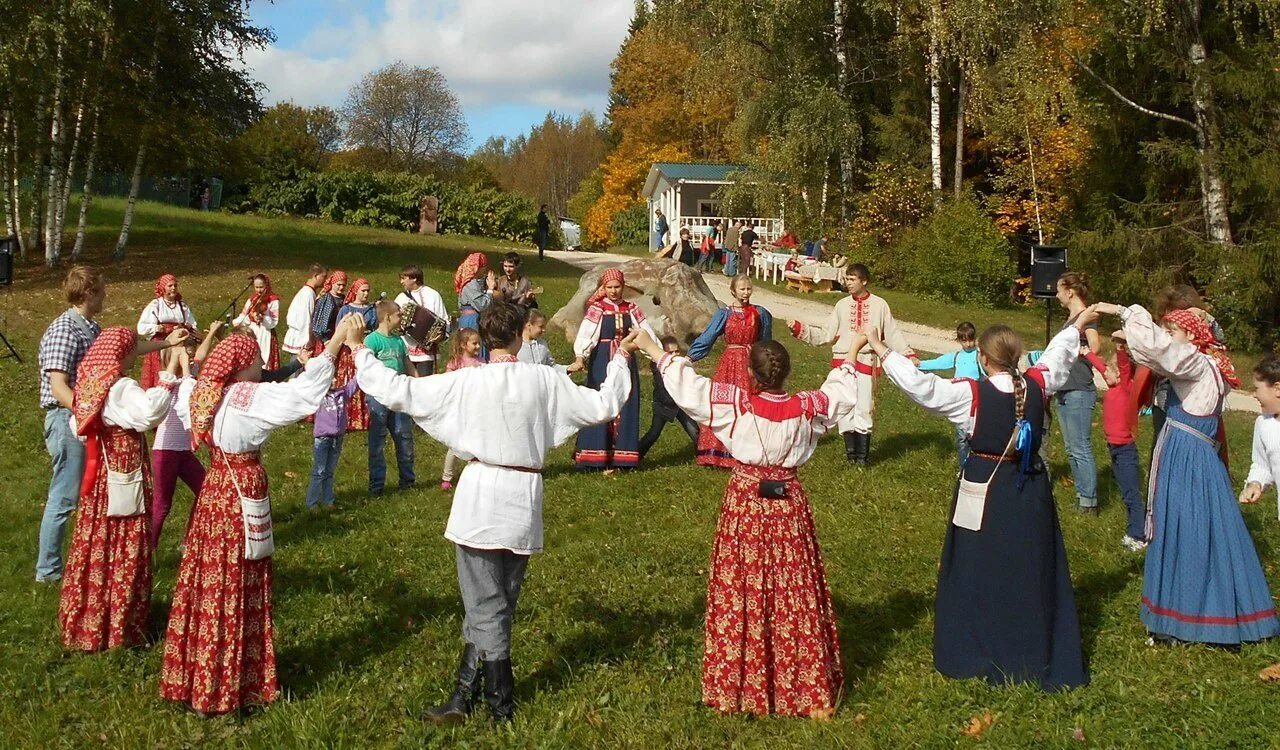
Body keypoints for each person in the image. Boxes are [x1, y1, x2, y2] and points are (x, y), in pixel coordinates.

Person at [350, 302, 634, 724]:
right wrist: (621, 360)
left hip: (482, 499)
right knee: (495, 604)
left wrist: (358, 349)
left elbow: (399, 390)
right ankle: (464, 696)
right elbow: (605, 404)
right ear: (520, 334)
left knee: (489, 605)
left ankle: (501, 706)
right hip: (523, 498)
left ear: (484, 339)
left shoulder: (468, 381)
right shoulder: (543, 380)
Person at [636, 331, 860, 716]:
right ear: (786, 373)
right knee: (793, 590)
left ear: (751, 377)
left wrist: (656, 350)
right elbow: (839, 390)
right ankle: (802, 688)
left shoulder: (735, 404)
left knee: (742, 587)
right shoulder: (808, 407)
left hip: (746, 504)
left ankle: (738, 688)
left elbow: (690, 389)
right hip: (788, 505)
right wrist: (851, 352)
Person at [870, 320, 1090, 691]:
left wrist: (882, 350)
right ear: (1015, 356)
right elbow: (1060, 353)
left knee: (978, 567)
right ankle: (1030, 646)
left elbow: (923, 387)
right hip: (1029, 489)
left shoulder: (972, 395)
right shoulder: (1037, 383)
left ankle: (978, 645)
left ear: (983, 358)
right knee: (1028, 566)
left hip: (985, 492)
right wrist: (1078, 323)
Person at [160, 316, 354, 715]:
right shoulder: (247, 396)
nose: (259, 368)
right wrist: (334, 343)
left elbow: (184, 391)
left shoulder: (204, 395)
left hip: (215, 490)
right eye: (255, 361)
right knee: (237, 581)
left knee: (207, 580)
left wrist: (179, 359)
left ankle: (194, 677)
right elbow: (300, 395)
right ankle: (229, 684)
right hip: (241, 491)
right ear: (243, 365)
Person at [1090, 301, 1279, 646]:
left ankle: (1191, 619)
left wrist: (1125, 311)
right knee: (1203, 528)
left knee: (1185, 529)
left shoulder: (1195, 361)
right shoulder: (1204, 363)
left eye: (1173, 331)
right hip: (1192, 455)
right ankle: (1210, 613)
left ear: (1191, 335)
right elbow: (1157, 353)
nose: (1168, 337)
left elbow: (1159, 351)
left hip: (1187, 456)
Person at [59, 327, 186, 651]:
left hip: (100, 471)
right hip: (122, 470)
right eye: (132, 349)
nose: (135, 354)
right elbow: (148, 414)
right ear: (123, 353)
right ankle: (120, 627)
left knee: (97, 538)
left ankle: (87, 619)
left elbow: (78, 425)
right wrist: (169, 373)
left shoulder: (91, 382)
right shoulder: (121, 386)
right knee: (124, 535)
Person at [790, 263, 917, 465]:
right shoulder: (841, 305)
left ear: (863, 280)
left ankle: (862, 458)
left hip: (866, 361)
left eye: (852, 279)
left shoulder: (879, 305)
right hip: (843, 361)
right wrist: (801, 330)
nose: (848, 283)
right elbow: (827, 333)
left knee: (864, 407)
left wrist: (908, 354)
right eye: (847, 279)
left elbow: (892, 333)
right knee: (844, 406)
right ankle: (851, 456)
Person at [37, 266, 106, 583]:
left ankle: (82, 563)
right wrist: (85, 411)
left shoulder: (90, 327)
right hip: (68, 420)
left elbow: (120, 350)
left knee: (86, 494)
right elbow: (58, 386)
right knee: (64, 497)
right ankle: (48, 572)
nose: (105, 295)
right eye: (102, 289)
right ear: (89, 292)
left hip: (85, 419)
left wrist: (164, 343)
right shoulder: (64, 330)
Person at [572, 269, 659, 471]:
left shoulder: (631, 309)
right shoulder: (597, 308)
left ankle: (623, 457)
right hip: (602, 360)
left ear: (623, 286)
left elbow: (645, 332)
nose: (613, 291)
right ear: (604, 287)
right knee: (599, 402)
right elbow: (587, 333)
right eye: (609, 287)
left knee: (626, 401)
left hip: (626, 360)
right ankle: (594, 456)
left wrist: (656, 354)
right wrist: (580, 356)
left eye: (617, 287)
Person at [149, 322, 224, 550]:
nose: (190, 355)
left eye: (190, 350)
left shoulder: (189, 376)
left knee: (205, 490)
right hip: (165, 451)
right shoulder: (167, 377)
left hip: (184, 452)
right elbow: (172, 382)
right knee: (162, 504)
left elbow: (200, 355)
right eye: (185, 350)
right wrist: (178, 362)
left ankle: (189, 542)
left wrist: (210, 333)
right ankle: (148, 549)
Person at [688, 275, 774, 468]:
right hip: (730, 362)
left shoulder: (760, 313)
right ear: (733, 291)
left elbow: (766, 341)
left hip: (751, 364)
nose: (746, 292)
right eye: (742, 289)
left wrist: (767, 364)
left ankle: (749, 451)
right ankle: (718, 451)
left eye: (748, 289)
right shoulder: (724, 314)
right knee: (723, 404)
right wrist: (691, 356)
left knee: (748, 404)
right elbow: (708, 336)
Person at [1084, 337, 1147, 550]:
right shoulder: (1114, 385)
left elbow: (1124, 367)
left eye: (1109, 372)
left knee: (1132, 494)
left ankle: (1139, 534)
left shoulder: (1126, 388)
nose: (1104, 375)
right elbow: (1102, 366)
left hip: (1126, 449)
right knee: (1125, 491)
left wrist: (1121, 348)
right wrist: (1086, 353)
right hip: (1114, 448)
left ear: (1119, 373)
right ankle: (1133, 530)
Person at [1054, 272, 1102, 515]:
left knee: (1080, 446)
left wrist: (1082, 349)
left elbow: (1095, 345)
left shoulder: (1086, 316)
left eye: (1059, 289)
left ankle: (1089, 501)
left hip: (1079, 389)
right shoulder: (1072, 318)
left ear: (1069, 292)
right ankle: (1082, 494)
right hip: (1064, 388)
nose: (1057, 294)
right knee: (1071, 447)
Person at [364, 300, 416, 495]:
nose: (401, 318)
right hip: (378, 397)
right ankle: (377, 484)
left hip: (399, 395)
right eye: (399, 315)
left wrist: (417, 383)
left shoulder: (398, 340)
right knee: (377, 440)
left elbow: (407, 363)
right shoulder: (372, 341)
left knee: (404, 436)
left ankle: (408, 481)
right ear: (387, 317)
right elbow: (365, 368)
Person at [918, 322, 984, 467]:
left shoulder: (979, 356)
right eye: (964, 340)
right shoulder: (956, 357)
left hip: (974, 401)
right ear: (959, 340)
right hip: (959, 402)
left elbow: (989, 374)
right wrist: (918, 364)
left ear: (975, 338)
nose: (968, 344)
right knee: (961, 438)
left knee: (975, 435)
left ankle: (977, 466)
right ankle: (963, 469)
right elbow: (937, 363)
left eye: (971, 339)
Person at [638, 337, 700, 459]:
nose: (674, 354)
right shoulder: (659, 368)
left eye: (677, 351)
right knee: (653, 433)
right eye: (670, 352)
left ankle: (705, 456)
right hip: (663, 406)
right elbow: (663, 388)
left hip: (680, 404)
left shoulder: (681, 365)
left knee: (695, 432)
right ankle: (635, 455)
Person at [441, 329, 487, 492]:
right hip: (460, 409)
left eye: (479, 343)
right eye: (474, 343)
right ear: (463, 344)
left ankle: (472, 474)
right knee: (455, 445)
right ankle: (447, 476)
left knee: (476, 444)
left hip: (477, 409)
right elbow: (447, 382)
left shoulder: (482, 363)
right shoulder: (456, 363)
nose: (478, 346)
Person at [137, 273, 199, 388]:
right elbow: (142, 327)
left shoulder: (182, 305)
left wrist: (187, 327)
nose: (173, 288)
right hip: (161, 343)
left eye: (175, 285)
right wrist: (157, 328)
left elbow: (192, 323)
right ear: (163, 288)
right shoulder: (156, 305)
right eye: (170, 286)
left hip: (180, 342)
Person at [335, 278, 378, 433]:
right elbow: (338, 330)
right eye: (363, 290)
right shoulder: (345, 310)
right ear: (356, 292)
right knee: (348, 381)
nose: (366, 293)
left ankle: (364, 417)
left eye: (368, 290)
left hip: (365, 348)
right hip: (348, 350)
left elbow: (375, 329)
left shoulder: (372, 310)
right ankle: (346, 418)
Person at [395, 264, 450, 376]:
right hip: (406, 349)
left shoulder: (433, 295)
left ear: (414, 278)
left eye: (404, 278)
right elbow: (392, 319)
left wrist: (440, 336)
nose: (401, 282)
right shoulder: (401, 297)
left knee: (424, 384)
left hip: (426, 354)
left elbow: (444, 321)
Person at [1241, 354, 1280, 510]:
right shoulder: (1264, 424)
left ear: (1277, 388)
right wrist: (1255, 483)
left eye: (1257, 388)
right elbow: (1262, 465)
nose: (1254, 395)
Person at [233, 274, 280, 369]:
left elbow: (274, 321)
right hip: (253, 331)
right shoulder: (252, 299)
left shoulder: (273, 300)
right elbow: (245, 314)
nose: (259, 290)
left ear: (266, 285)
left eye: (261, 287)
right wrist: (238, 322)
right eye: (256, 287)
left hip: (265, 332)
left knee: (264, 357)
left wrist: (263, 318)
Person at [516, 308, 581, 375]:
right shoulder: (516, 346)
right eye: (541, 327)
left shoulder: (542, 344)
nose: (544, 330)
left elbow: (551, 366)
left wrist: (568, 368)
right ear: (529, 325)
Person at [283, 264, 327, 360]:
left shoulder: (308, 292)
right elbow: (305, 319)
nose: (325, 280)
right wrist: (307, 342)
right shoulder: (307, 294)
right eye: (324, 277)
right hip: (301, 339)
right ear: (316, 276)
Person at [455, 253, 498, 337]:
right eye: (484, 266)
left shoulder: (469, 281)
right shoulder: (471, 283)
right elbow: (482, 305)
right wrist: (490, 289)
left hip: (468, 319)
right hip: (472, 321)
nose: (485, 269)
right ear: (478, 267)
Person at [311, 269, 348, 351]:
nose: (341, 287)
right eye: (339, 284)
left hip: (340, 338)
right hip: (327, 340)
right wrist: (325, 339)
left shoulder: (344, 299)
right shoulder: (326, 299)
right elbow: (319, 322)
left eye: (344, 285)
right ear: (332, 283)